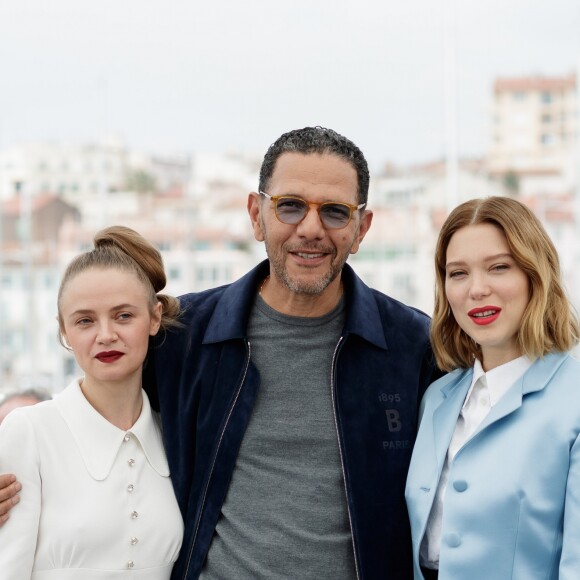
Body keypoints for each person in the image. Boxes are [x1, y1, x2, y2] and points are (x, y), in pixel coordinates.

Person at [1, 127, 439, 579]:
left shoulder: (412, 346)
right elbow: (93, 412)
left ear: (361, 227)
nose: (310, 228)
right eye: (290, 206)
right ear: (256, 214)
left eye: (334, 211)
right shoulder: (184, 335)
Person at [405, 196, 580, 580]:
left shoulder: (574, 399)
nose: (477, 289)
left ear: (536, 275)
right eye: (458, 273)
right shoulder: (437, 397)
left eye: (499, 267)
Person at [0, 226, 184, 579]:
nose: (106, 335)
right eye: (85, 320)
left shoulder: (174, 433)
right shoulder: (29, 432)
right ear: (64, 331)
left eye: (124, 315)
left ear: (155, 317)